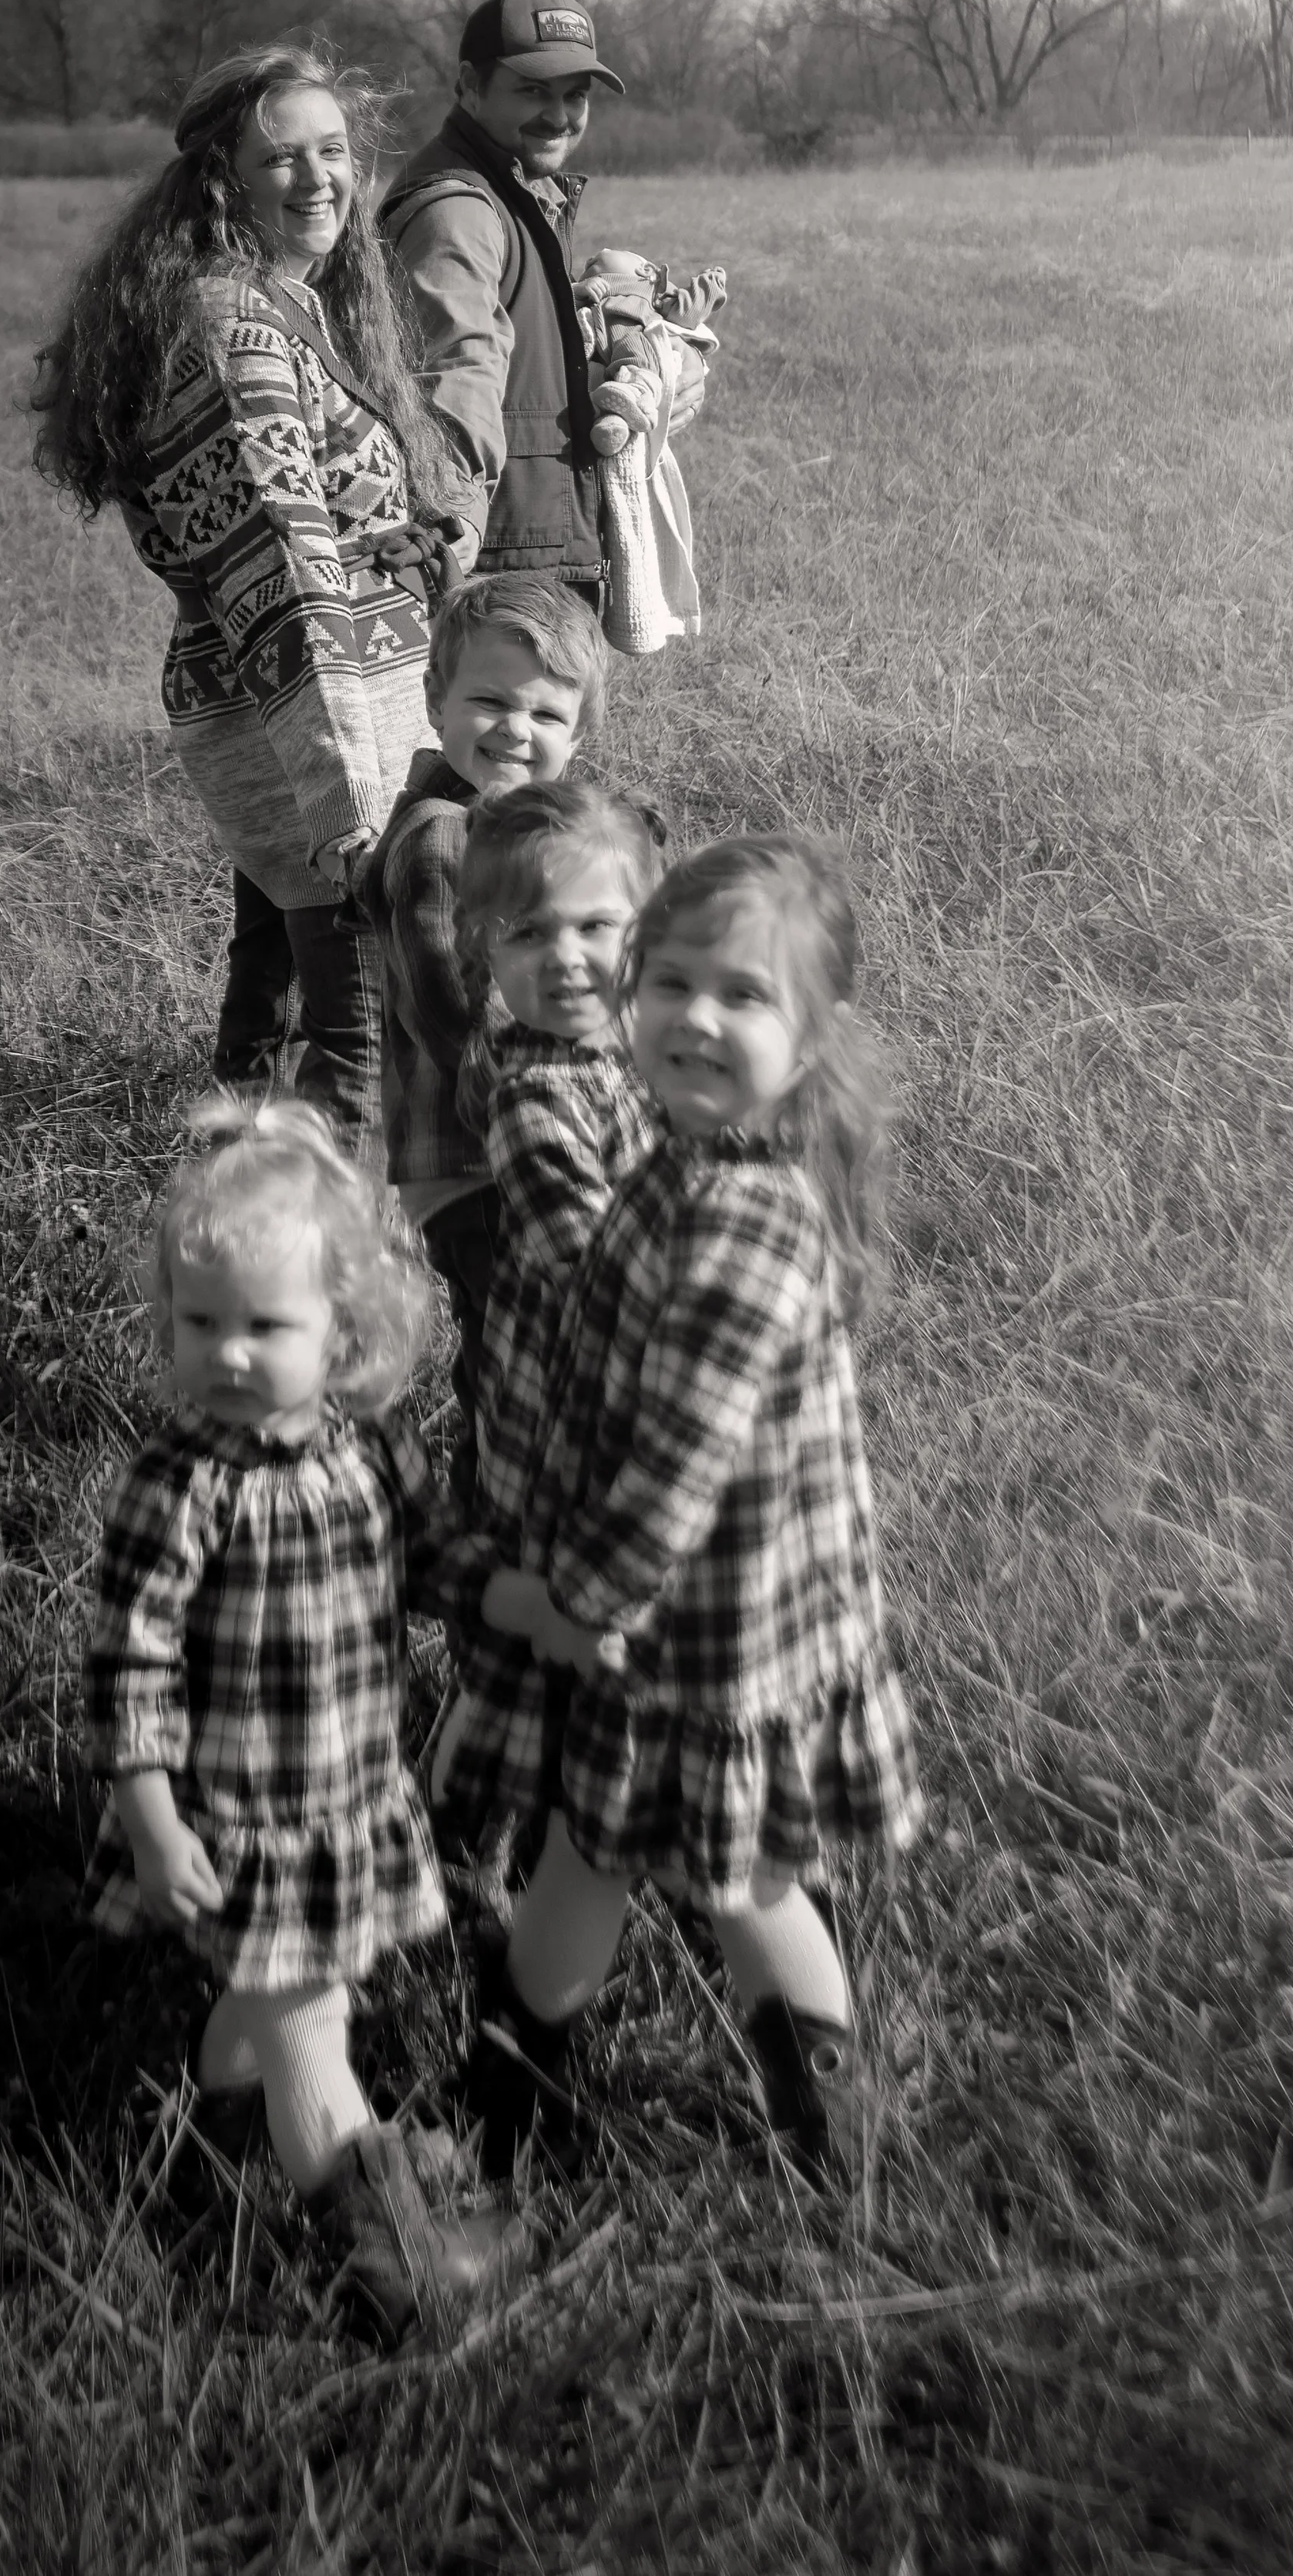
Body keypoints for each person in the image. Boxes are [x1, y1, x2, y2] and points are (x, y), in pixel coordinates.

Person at [471, 835, 925, 2191]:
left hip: (687, 1637)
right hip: (707, 1629)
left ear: (812, 1036)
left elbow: (678, 1462)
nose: (694, 1018)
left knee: (735, 1882)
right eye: (667, 981)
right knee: (617, 1863)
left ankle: (817, 2132)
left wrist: (568, 1600)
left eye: (743, 996)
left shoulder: (741, 1220)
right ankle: (510, 2102)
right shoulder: (691, 1156)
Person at [81, 1099, 512, 2344]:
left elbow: (434, 1562)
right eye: (198, 1322)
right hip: (239, 1822)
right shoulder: (182, 1487)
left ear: (345, 1327)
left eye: (266, 1326)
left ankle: (202, 2152)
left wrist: (517, 1596)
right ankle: (395, 2260)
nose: (226, 1353)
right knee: (312, 2022)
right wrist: (152, 1823)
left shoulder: (373, 1453)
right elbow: (131, 1666)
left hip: (344, 1806)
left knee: (266, 2011)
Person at [33, 45, 470, 1152]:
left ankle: (223, 1203)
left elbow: (316, 519)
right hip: (318, 722)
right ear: (224, 177)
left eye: (333, 151)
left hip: (308, 713)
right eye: (283, 158)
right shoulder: (238, 329)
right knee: (363, 1044)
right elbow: (280, 569)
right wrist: (351, 806)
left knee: (269, 1012)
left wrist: (394, 536)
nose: (319, 177)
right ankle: (317, 1277)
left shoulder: (278, 303)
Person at [424, 780, 663, 1858]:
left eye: (596, 927)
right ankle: (466, 1828)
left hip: (608, 1402)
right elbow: (584, 1258)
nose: (566, 957)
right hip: (557, 1416)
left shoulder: (628, 1048)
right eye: (530, 934)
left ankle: (528, 1797)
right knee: (525, 1628)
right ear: (483, 944)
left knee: (580, 1623)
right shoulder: (536, 1095)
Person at [351, 576, 609, 1450]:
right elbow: (447, 1005)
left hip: (519, 1139)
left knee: (539, 1337)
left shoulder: (533, 833)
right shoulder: (440, 837)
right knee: (510, 1348)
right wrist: (532, 1108)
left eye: (546, 717)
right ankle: (490, 1513)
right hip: (475, 1153)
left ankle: (518, 1488)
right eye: (490, 701)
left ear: (580, 733)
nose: (514, 729)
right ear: (435, 698)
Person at [378, 0, 715, 601]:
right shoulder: (459, 213)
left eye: (575, 94)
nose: (559, 115)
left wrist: (659, 374)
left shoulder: (520, 193)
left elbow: (525, 371)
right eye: (532, 90)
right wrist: (449, 533)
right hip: (496, 571)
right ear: (470, 84)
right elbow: (455, 376)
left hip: (528, 551)